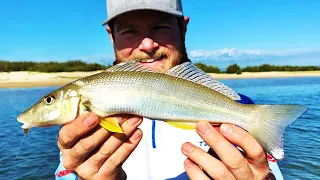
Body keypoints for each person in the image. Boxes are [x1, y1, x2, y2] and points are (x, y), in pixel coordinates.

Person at [55, 0, 283, 179]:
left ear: (183, 28)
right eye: (129, 31)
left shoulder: (242, 109)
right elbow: (64, 174)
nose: (147, 45)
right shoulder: (86, 122)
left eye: (160, 27)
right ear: (111, 36)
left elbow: (269, 171)